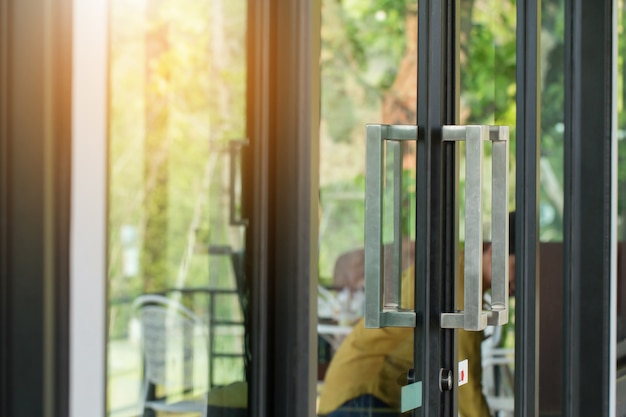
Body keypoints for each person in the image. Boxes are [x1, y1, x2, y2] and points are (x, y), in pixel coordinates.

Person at [317, 213, 516, 417]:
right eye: (514, 268)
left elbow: (448, 374)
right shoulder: (462, 286)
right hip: (365, 393)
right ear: (493, 252)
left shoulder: (457, 272)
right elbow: (465, 380)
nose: (517, 282)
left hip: (368, 393)